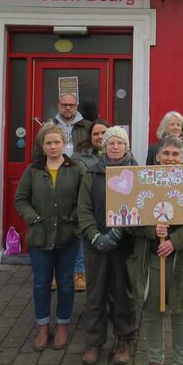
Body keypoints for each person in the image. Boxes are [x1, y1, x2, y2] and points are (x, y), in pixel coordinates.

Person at [128, 135, 183, 365]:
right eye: (166, 154)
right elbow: (130, 221)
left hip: (182, 260)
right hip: (150, 256)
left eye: (175, 154)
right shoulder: (144, 182)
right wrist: (153, 231)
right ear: (157, 156)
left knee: (180, 312)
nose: (170, 159)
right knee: (153, 311)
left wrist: (175, 240)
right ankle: (154, 360)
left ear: (182, 157)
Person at [14, 123, 89, 351]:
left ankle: (63, 324)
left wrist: (73, 218)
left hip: (68, 237)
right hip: (40, 237)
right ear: (42, 146)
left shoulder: (76, 168)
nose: (53, 146)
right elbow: (21, 199)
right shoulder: (33, 170)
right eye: (49, 143)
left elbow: (85, 201)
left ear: (64, 144)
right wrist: (33, 218)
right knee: (41, 284)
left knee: (66, 283)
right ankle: (43, 325)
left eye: (57, 142)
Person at [78, 126, 137, 365]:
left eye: (119, 143)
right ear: (104, 146)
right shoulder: (92, 174)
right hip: (96, 247)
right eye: (110, 143)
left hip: (124, 245)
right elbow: (84, 210)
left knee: (123, 294)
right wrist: (95, 236)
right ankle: (94, 342)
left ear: (126, 146)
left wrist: (116, 233)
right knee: (96, 294)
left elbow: (137, 207)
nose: (114, 147)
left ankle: (124, 340)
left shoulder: (136, 174)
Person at [71, 119, 110, 292]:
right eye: (96, 133)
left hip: (112, 208)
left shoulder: (119, 152)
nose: (100, 136)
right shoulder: (79, 156)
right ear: (90, 136)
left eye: (104, 133)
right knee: (85, 236)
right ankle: (80, 272)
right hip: (88, 205)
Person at [35, 92, 92, 158]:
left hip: (79, 166)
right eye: (64, 105)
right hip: (54, 165)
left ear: (76, 106)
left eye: (71, 105)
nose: (68, 108)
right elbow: (38, 151)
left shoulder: (88, 126)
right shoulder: (48, 127)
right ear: (58, 106)